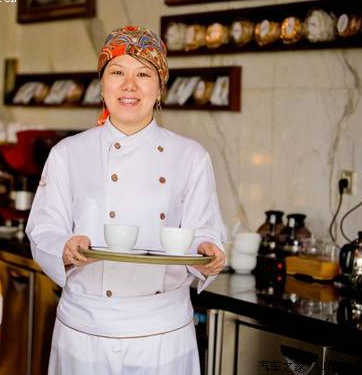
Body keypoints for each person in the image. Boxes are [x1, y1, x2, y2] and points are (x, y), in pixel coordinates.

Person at [26, 25, 227, 375]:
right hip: (84, 330)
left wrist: (208, 251)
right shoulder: (67, 153)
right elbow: (43, 229)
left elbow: (203, 231)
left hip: (163, 333)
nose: (129, 85)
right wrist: (65, 247)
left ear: (160, 88)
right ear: (102, 85)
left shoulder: (191, 156)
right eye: (117, 72)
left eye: (144, 74)